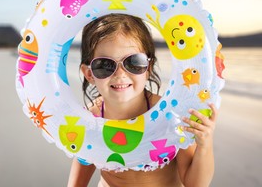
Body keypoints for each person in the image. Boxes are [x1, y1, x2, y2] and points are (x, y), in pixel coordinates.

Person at [67, 14, 218, 187]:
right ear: (89, 74)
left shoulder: (168, 115)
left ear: (148, 67)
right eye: (104, 65)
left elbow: (195, 184)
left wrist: (204, 145)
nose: (120, 74)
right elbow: (81, 170)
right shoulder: (92, 117)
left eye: (133, 62)